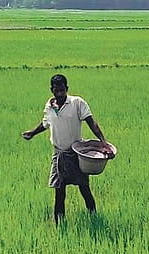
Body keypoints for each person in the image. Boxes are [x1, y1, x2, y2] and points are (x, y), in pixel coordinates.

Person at [22, 74, 114, 225]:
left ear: (67, 89)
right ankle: (59, 224)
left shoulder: (77, 103)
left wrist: (103, 142)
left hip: (76, 154)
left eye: (62, 90)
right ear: (52, 90)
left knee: (84, 188)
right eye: (56, 90)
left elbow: (91, 122)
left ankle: (94, 218)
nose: (59, 93)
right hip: (59, 155)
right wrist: (32, 133)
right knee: (59, 191)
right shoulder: (49, 106)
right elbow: (45, 124)